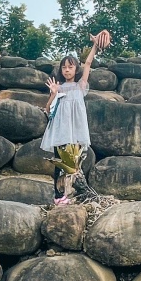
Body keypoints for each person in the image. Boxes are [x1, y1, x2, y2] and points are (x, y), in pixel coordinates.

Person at [41, 32, 110, 204]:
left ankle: (72, 194)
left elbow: (88, 63)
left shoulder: (80, 86)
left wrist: (95, 45)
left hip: (76, 130)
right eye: (64, 67)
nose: (67, 70)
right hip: (60, 131)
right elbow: (48, 110)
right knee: (59, 164)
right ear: (61, 70)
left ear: (75, 69)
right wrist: (53, 94)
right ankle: (58, 197)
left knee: (75, 164)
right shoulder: (60, 88)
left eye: (70, 67)